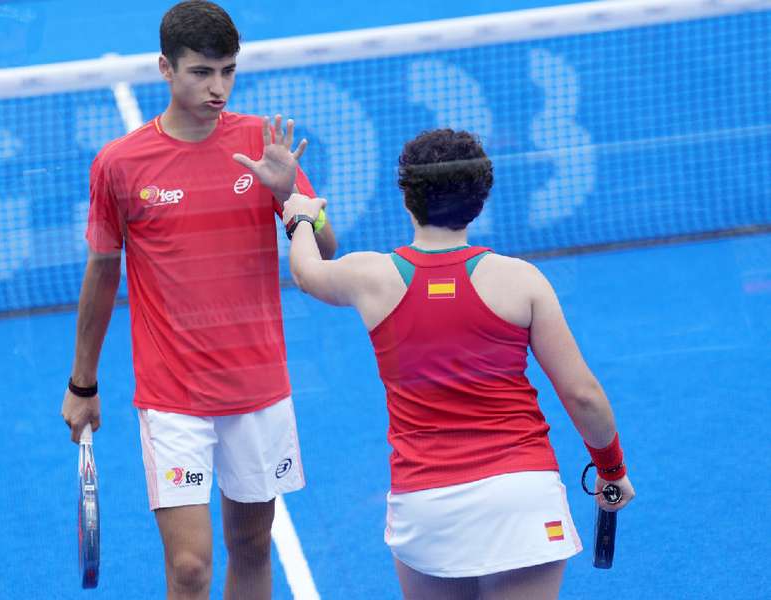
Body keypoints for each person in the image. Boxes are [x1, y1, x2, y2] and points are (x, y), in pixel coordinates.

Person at [283, 129, 634, 600]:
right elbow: (582, 394)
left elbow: (307, 272)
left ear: (407, 197)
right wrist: (611, 469)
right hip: (522, 497)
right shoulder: (522, 281)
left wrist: (301, 214)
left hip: (427, 507)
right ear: (480, 199)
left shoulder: (369, 277)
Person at [60, 1, 336, 598]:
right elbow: (103, 273)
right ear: (165, 68)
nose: (219, 88)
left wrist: (290, 197)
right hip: (174, 396)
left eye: (228, 71)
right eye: (202, 72)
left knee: (252, 547)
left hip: (259, 387)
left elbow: (327, 250)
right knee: (189, 567)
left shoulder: (263, 144)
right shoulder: (119, 163)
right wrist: (83, 383)